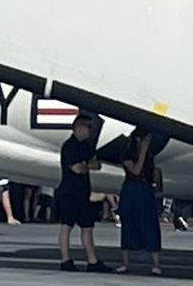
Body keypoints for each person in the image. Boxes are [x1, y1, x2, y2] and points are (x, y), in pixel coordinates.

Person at [55, 114, 110, 270]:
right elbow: (77, 168)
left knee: (87, 227)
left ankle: (92, 261)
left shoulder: (85, 146)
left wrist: (85, 165)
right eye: (88, 127)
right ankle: (65, 260)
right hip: (69, 192)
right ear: (78, 127)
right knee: (67, 225)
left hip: (82, 192)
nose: (90, 130)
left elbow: (96, 165)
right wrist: (87, 165)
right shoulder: (69, 146)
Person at [116, 124, 168, 275]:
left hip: (145, 191)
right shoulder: (127, 155)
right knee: (128, 225)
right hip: (132, 191)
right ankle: (125, 263)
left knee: (150, 225)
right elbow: (136, 170)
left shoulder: (149, 155)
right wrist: (143, 152)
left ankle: (156, 263)